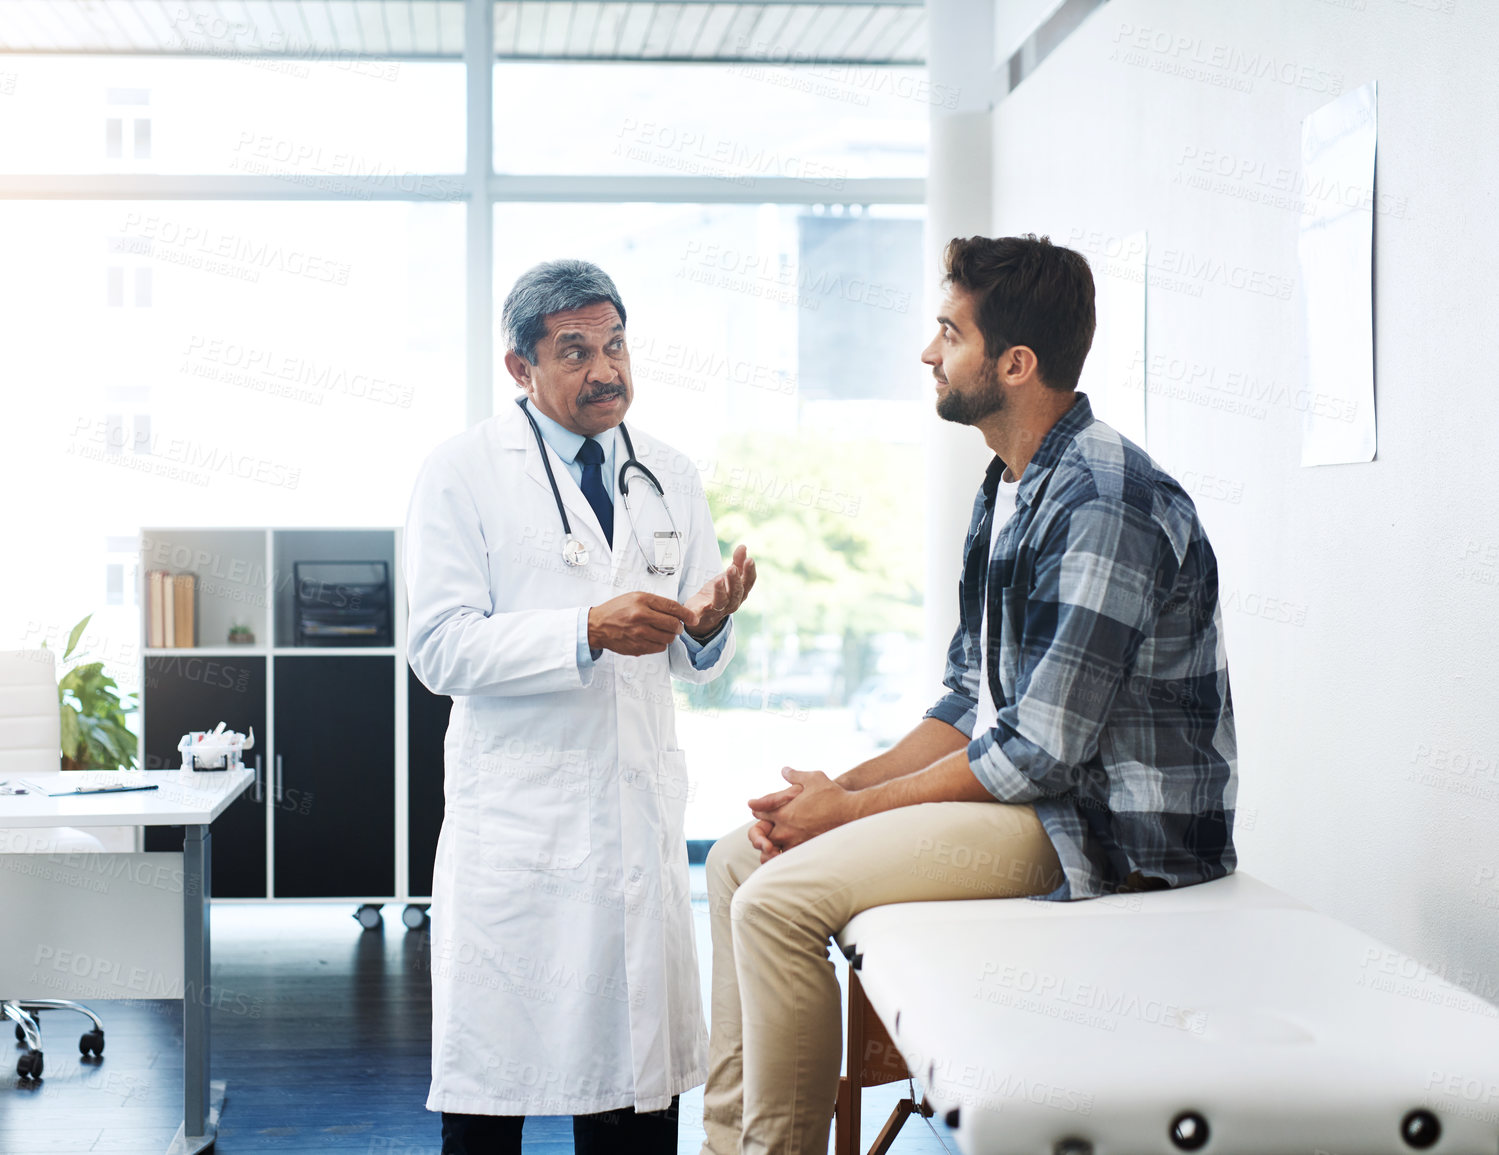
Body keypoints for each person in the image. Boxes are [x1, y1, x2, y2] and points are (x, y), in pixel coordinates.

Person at [699, 234, 1239, 1155]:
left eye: (947, 333)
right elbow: (965, 699)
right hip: (1045, 799)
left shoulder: (1105, 499)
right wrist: (829, 791)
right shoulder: (1010, 484)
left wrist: (850, 810)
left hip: (1108, 830)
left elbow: (1037, 750)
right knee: (733, 861)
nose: (926, 352)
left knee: (777, 901)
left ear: (1014, 364)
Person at [405, 259, 757, 1154]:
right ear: (520, 367)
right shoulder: (461, 472)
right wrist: (584, 630)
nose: (607, 370)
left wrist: (708, 628)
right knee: (495, 1098)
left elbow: (691, 662)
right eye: (576, 352)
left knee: (634, 1100)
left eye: (616, 345)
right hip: (520, 837)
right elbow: (439, 647)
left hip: (636, 825)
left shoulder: (667, 473)